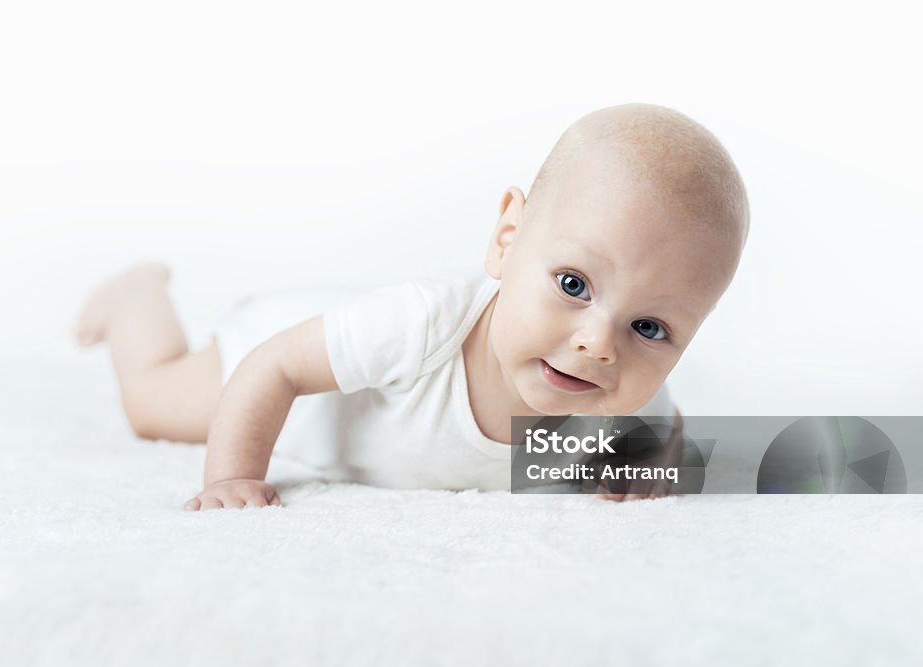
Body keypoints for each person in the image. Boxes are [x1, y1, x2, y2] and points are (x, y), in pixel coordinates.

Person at [74, 103, 749, 510]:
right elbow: (273, 366)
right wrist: (232, 476)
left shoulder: (629, 399)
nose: (601, 344)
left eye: (651, 327)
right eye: (573, 284)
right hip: (277, 355)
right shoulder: (422, 322)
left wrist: (653, 466)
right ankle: (138, 295)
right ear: (508, 239)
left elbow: (666, 430)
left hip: (323, 354)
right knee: (152, 402)